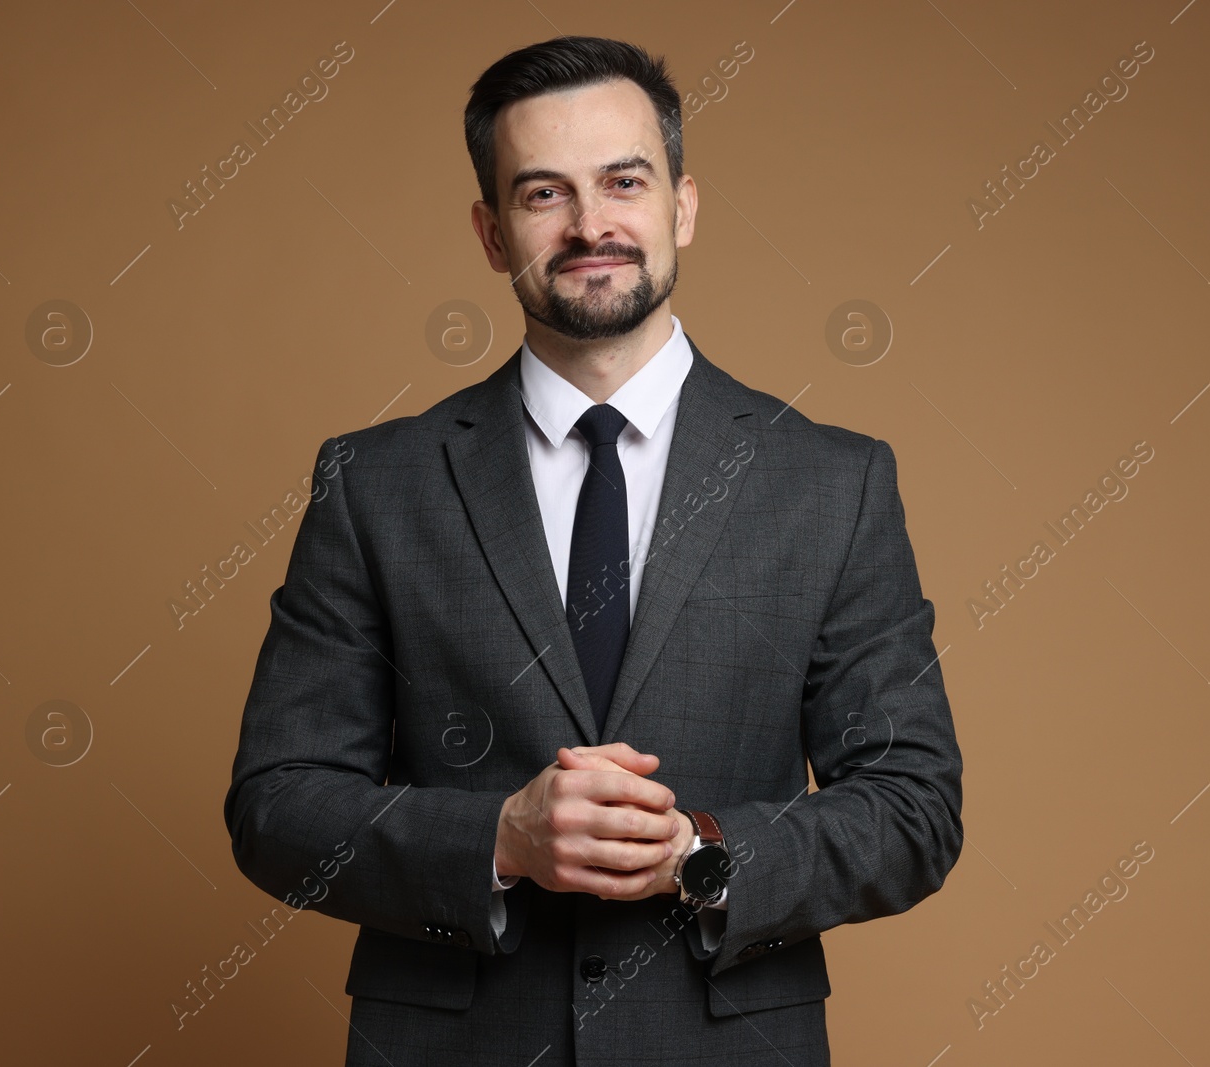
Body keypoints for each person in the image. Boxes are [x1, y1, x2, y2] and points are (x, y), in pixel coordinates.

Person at [223, 35, 964, 1067]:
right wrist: (498, 839)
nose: (590, 225)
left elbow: (912, 807)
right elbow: (278, 803)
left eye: (623, 180)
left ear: (683, 205)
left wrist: (700, 855)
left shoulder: (831, 483)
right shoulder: (375, 482)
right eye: (543, 194)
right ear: (491, 232)